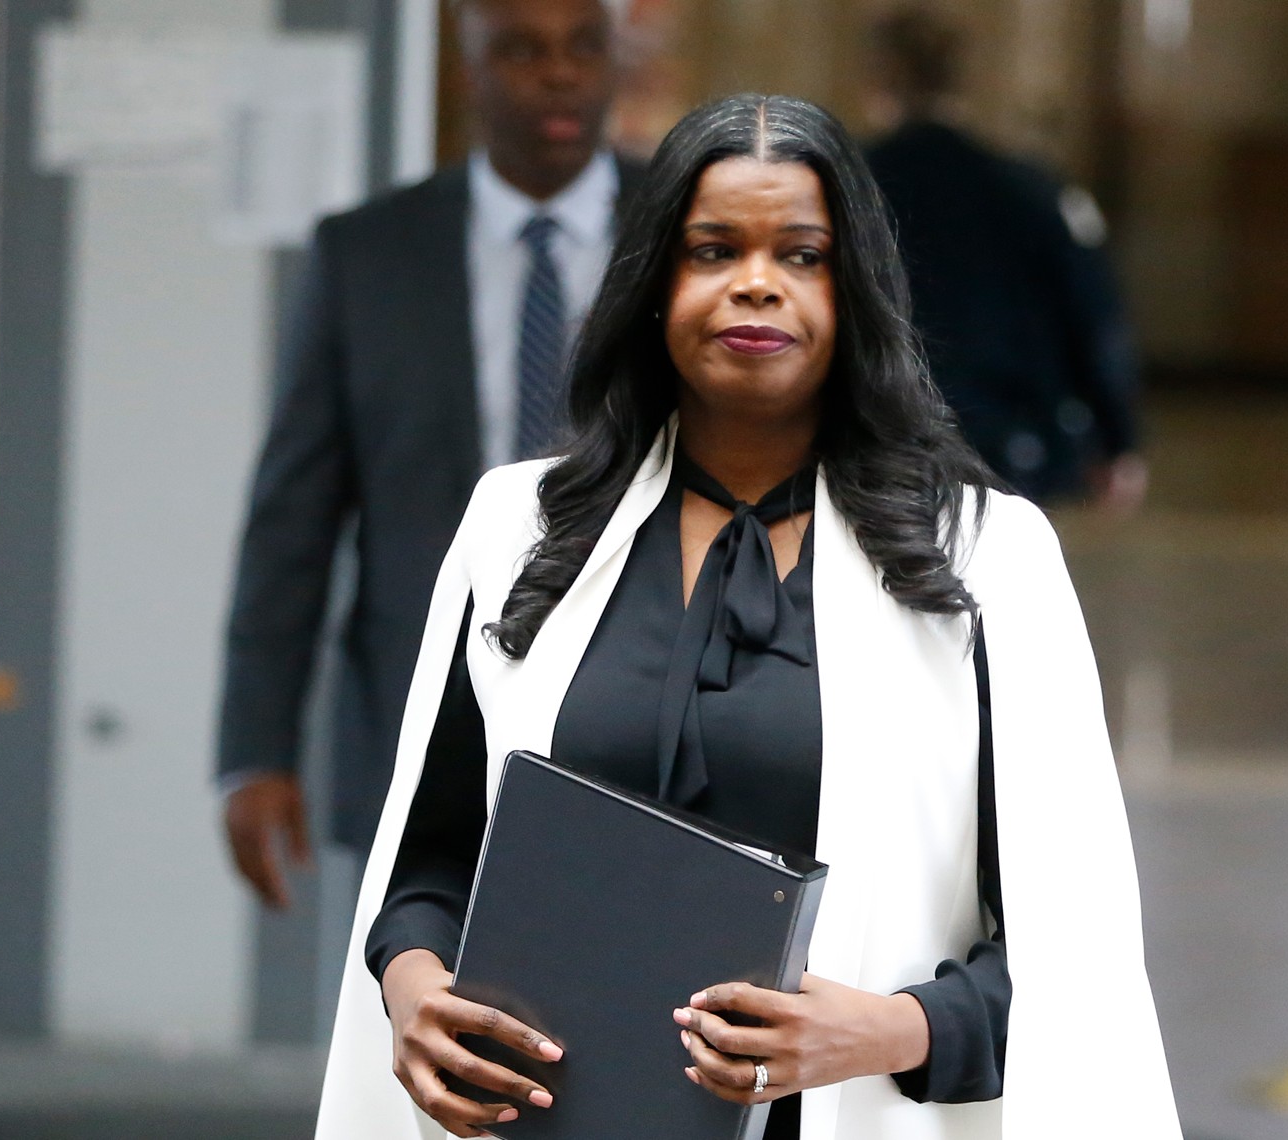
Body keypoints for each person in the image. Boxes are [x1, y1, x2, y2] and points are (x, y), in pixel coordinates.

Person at [313, 94, 1178, 1139]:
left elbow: (1072, 959)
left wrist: (890, 1030)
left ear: (854, 289)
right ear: (650, 286)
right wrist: (414, 993)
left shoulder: (986, 560)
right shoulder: (520, 528)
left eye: (803, 255)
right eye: (712, 249)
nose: (756, 283)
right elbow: (430, 861)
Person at [217, 0, 643, 906]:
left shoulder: (688, 238)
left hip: (643, 704)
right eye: (522, 51)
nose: (559, 75)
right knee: (405, 1018)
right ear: (469, 70)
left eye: (584, 48)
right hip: (423, 710)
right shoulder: (366, 255)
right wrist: (254, 748)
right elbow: (292, 518)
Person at [865, 6, 1149, 512]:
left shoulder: (850, 186)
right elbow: (1092, 315)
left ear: (876, 83)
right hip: (1009, 439)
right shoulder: (1031, 191)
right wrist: (1117, 439)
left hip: (876, 432)